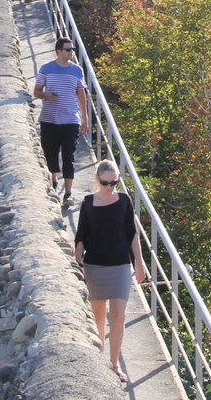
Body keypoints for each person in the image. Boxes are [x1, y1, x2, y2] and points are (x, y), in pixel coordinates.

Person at [74, 159, 146, 383]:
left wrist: (140, 263)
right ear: (97, 179)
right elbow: (81, 237)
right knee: (97, 319)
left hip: (120, 266)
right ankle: (99, 363)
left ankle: (114, 366)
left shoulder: (124, 201)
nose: (109, 187)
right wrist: (77, 265)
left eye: (113, 183)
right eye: (105, 183)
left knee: (118, 316)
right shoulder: (87, 203)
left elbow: (132, 233)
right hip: (94, 267)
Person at [33, 38, 89, 207]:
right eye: (67, 49)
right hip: (49, 119)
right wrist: (47, 96)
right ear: (58, 51)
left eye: (72, 49)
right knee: (50, 152)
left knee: (68, 156)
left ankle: (68, 193)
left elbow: (81, 94)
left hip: (71, 119)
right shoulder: (46, 69)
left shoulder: (77, 71)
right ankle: (53, 176)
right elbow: (36, 91)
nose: (71, 52)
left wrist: (84, 118)